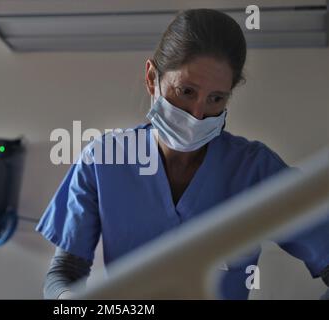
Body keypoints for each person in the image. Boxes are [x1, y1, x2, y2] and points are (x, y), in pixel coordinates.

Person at [35, 9, 329, 299]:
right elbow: (65, 272)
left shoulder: (254, 171)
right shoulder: (103, 160)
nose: (198, 114)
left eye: (216, 99)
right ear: (152, 78)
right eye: (186, 91)